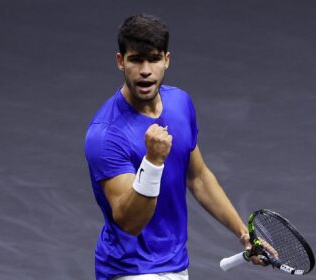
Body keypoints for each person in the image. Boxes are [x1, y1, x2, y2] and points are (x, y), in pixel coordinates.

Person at [85, 14, 265, 280]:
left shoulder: (180, 103)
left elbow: (199, 178)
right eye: (136, 59)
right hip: (129, 270)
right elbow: (130, 222)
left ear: (166, 60)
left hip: (176, 264)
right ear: (121, 62)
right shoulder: (106, 135)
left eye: (154, 59)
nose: (145, 70)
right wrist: (153, 161)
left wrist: (242, 233)